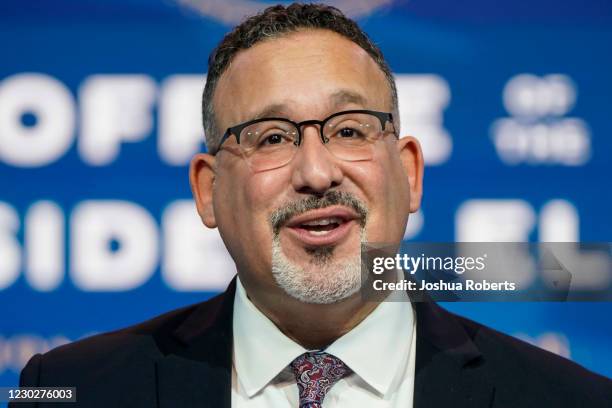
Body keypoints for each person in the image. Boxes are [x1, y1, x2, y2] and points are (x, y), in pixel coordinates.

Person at [13, 3, 611, 407]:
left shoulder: (566, 398)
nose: (317, 172)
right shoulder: (69, 389)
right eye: (271, 137)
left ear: (408, 173)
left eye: (350, 130)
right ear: (207, 189)